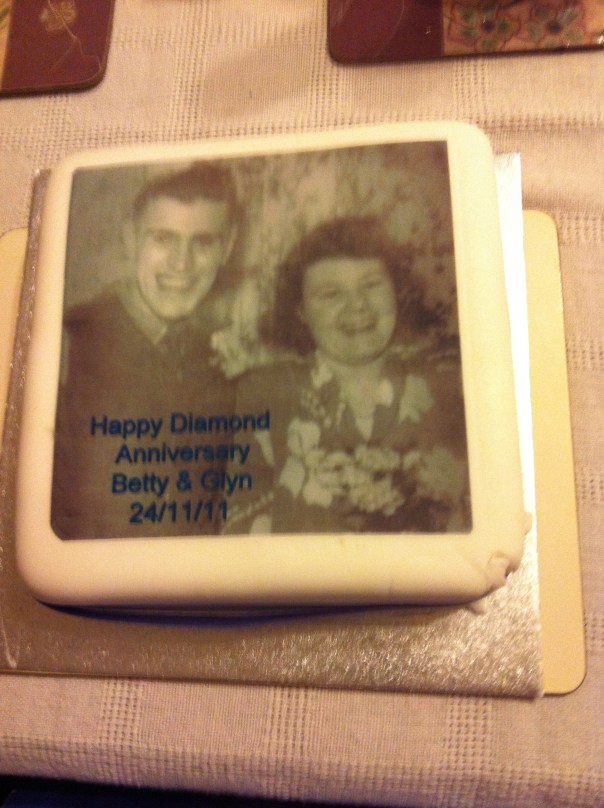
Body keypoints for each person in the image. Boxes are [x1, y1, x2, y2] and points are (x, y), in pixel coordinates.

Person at [225, 216, 471, 535]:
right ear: (301, 311)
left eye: (371, 285)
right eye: (331, 294)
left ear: (397, 292)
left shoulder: (452, 388)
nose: (357, 305)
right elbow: (240, 522)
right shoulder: (263, 391)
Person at [52, 163, 240, 538]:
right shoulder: (69, 344)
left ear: (228, 246)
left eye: (203, 242)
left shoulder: (223, 355)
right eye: (163, 239)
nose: (181, 264)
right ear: (130, 239)